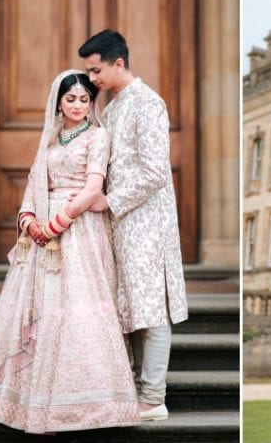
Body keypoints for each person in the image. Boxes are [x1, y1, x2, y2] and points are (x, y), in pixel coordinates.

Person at [0, 70, 140, 434]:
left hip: (79, 229)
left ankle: (82, 404)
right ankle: (19, 402)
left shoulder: (98, 136)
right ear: (58, 101)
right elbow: (33, 184)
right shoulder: (50, 140)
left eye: (84, 99)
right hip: (42, 233)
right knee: (37, 309)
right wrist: (29, 220)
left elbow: (93, 187)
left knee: (78, 307)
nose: (77, 105)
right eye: (71, 99)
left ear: (92, 103)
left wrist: (58, 223)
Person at [77, 29, 188, 421]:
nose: (92, 79)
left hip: (147, 222)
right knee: (126, 308)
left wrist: (112, 200)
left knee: (150, 309)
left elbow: (156, 171)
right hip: (118, 223)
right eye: (89, 72)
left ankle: (154, 398)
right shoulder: (111, 108)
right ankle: (132, 389)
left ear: (118, 62)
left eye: (95, 71)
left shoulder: (148, 103)